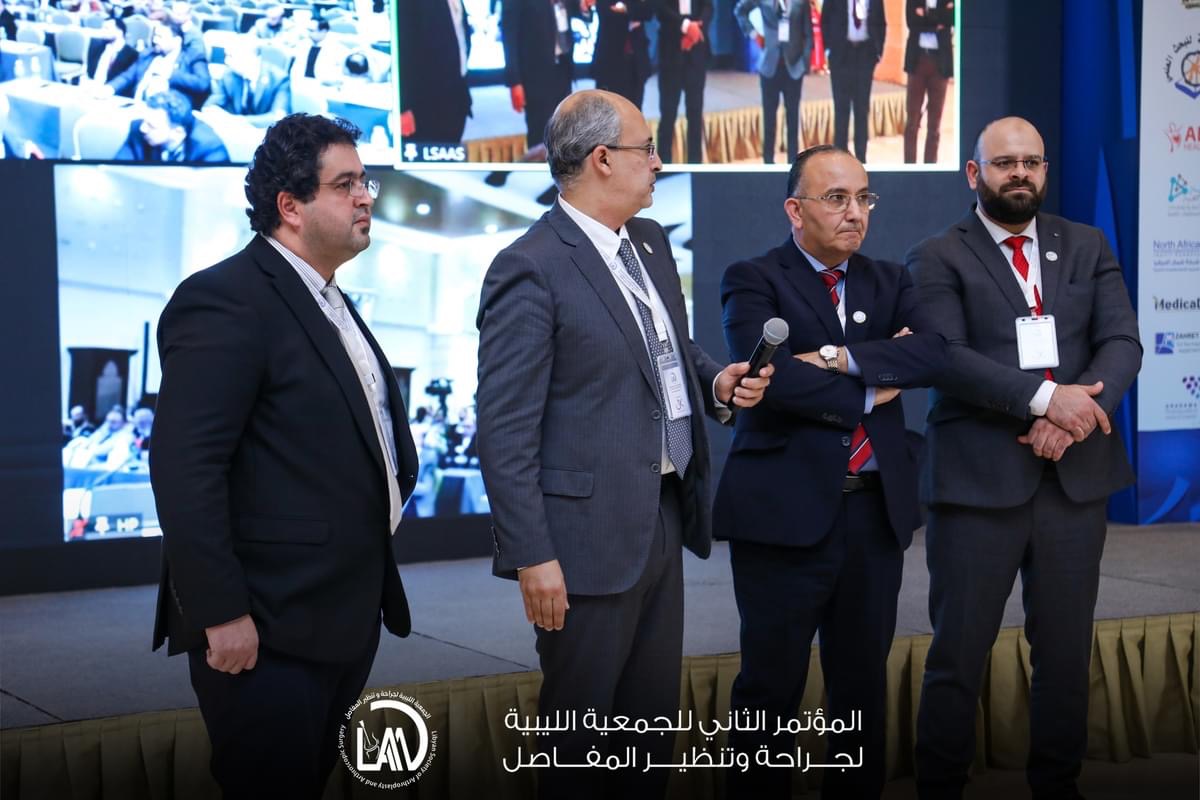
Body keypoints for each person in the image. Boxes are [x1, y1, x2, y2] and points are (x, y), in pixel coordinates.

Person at [475, 89, 772, 800]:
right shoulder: (531, 265)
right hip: (579, 541)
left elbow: (668, 348)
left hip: (661, 514)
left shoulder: (650, 241)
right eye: (648, 149)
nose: (660, 163)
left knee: (647, 735)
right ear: (603, 159)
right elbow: (504, 428)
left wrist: (716, 381)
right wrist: (531, 555)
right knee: (579, 744)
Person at [149, 114, 419, 799]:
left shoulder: (328, 297)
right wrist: (220, 612)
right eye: (345, 184)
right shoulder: (225, 299)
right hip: (265, 627)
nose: (365, 197)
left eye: (366, 182)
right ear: (290, 206)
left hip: (339, 614)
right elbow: (186, 467)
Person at [908, 117, 1142, 800]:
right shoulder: (936, 255)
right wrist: (1046, 401)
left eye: (1031, 162)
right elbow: (945, 357)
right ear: (974, 174)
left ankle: (1057, 785)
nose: (1020, 174)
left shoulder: (1086, 244)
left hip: (1074, 478)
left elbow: (1122, 342)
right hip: (977, 485)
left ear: (1044, 170)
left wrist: (1075, 416)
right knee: (958, 655)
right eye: (1004, 162)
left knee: (1065, 654)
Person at [716, 144, 945, 798]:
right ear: (796, 210)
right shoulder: (753, 278)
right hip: (783, 516)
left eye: (864, 198)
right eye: (837, 198)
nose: (855, 213)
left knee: (861, 689)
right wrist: (877, 380)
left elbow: (933, 354)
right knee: (770, 688)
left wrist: (837, 359)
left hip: (873, 513)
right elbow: (775, 382)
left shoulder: (889, 279)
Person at [501, 0, 591, 152]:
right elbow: (509, 35)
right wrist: (514, 80)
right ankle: (539, 166)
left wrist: (584, 7)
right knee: (540, 132)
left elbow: (576, 10)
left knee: (564, 127)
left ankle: (561, 166)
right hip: (535, 72)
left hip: (563, 67)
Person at [734, 0, 813, 164]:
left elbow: (808, 33)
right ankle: (768, 162)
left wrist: (804, 63)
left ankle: (793, 163)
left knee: (792, 118)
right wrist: (753, 33)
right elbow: (740, 10)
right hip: (769, 66)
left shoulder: (801, 2)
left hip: (793, 67)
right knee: (769, 118)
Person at [397, 0, 472, 145]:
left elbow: (461, 35)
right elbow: (403, 47)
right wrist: (403, 106)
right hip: (426, 103)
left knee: (450, 147)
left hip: (457, 94)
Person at [821, 0, 885, 161]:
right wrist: (829, 50)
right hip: (841, 55)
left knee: (862, 109)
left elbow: (881, 22)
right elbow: (825, 20)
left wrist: (878, 52)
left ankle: (861, 158)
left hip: (865, 54)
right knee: (841, 109)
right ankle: (840, 157)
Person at [106, 19, 211, 108]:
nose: (155, 40)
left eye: (160, 37)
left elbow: (202, 83)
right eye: (155, 36)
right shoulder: (148, 54)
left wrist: (171, 74)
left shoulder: (193, 57)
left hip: (169, 113)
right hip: (137, 106)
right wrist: (110, 88)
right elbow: (127, 76)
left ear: (177, 41)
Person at [655, 0, 711, 163]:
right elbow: (660, 8)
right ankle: (663, 167)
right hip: (670, 52)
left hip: (696, 52)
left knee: (695, 114)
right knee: (668, 114)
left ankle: (695, 166)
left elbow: (708, 7)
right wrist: (686, 26)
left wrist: (696, 29)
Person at [902, 0, 953, 163]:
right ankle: (909, 167)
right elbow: (911, 22)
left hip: (940, 64)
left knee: (934, 126)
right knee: (912, 122)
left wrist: (925, 16)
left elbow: (951, 20)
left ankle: (931, 166)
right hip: (917, 61)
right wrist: (937, 21)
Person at [116, 89, 229, 162]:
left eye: (151, 126)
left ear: (178, 132)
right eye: (144, 121)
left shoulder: (210, 148)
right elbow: (119, 169)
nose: (143, 128)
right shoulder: (137, 128)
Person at [204, 42, 290, 127]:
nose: (226, 61)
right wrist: (212, 112)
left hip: (265, 132)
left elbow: (278, 118)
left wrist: (238, 121)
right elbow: (212, 104)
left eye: (231, 56)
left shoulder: (280, 79)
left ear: (252, 57)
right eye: (226, 56)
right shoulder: (228, 75)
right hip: (234, 130)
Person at [591, 0, 653, 111]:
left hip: (636, 60)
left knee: (634, 110)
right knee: (608, 110)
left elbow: (648, 12)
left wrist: (626, 9)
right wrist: (632, 13)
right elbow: (606, 11)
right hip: (610, 59)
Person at [87, 16, 139, 85]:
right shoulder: (97, 47)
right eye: (102, 28)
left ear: (119, 32)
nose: (102, 31)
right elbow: (89, 72)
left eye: (106, 28)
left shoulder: (132, 54)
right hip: (91, 85)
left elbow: (127, 80)